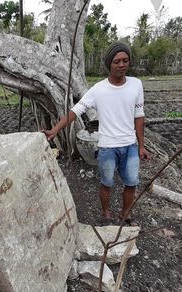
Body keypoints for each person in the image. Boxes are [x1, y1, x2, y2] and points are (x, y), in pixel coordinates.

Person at [43, 41, 150, 226]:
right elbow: (75, 111)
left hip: (130, 144)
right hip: (107, 145)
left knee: (131, 182)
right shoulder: (98, 89)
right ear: (109, 64)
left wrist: (141, 145)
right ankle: (106, 214)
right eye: (117, 61)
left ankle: (125, 213)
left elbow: (139, 116)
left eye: (125, 60)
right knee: (106, 182)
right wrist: (55, 130)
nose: (122, 64)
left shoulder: (136, 85)